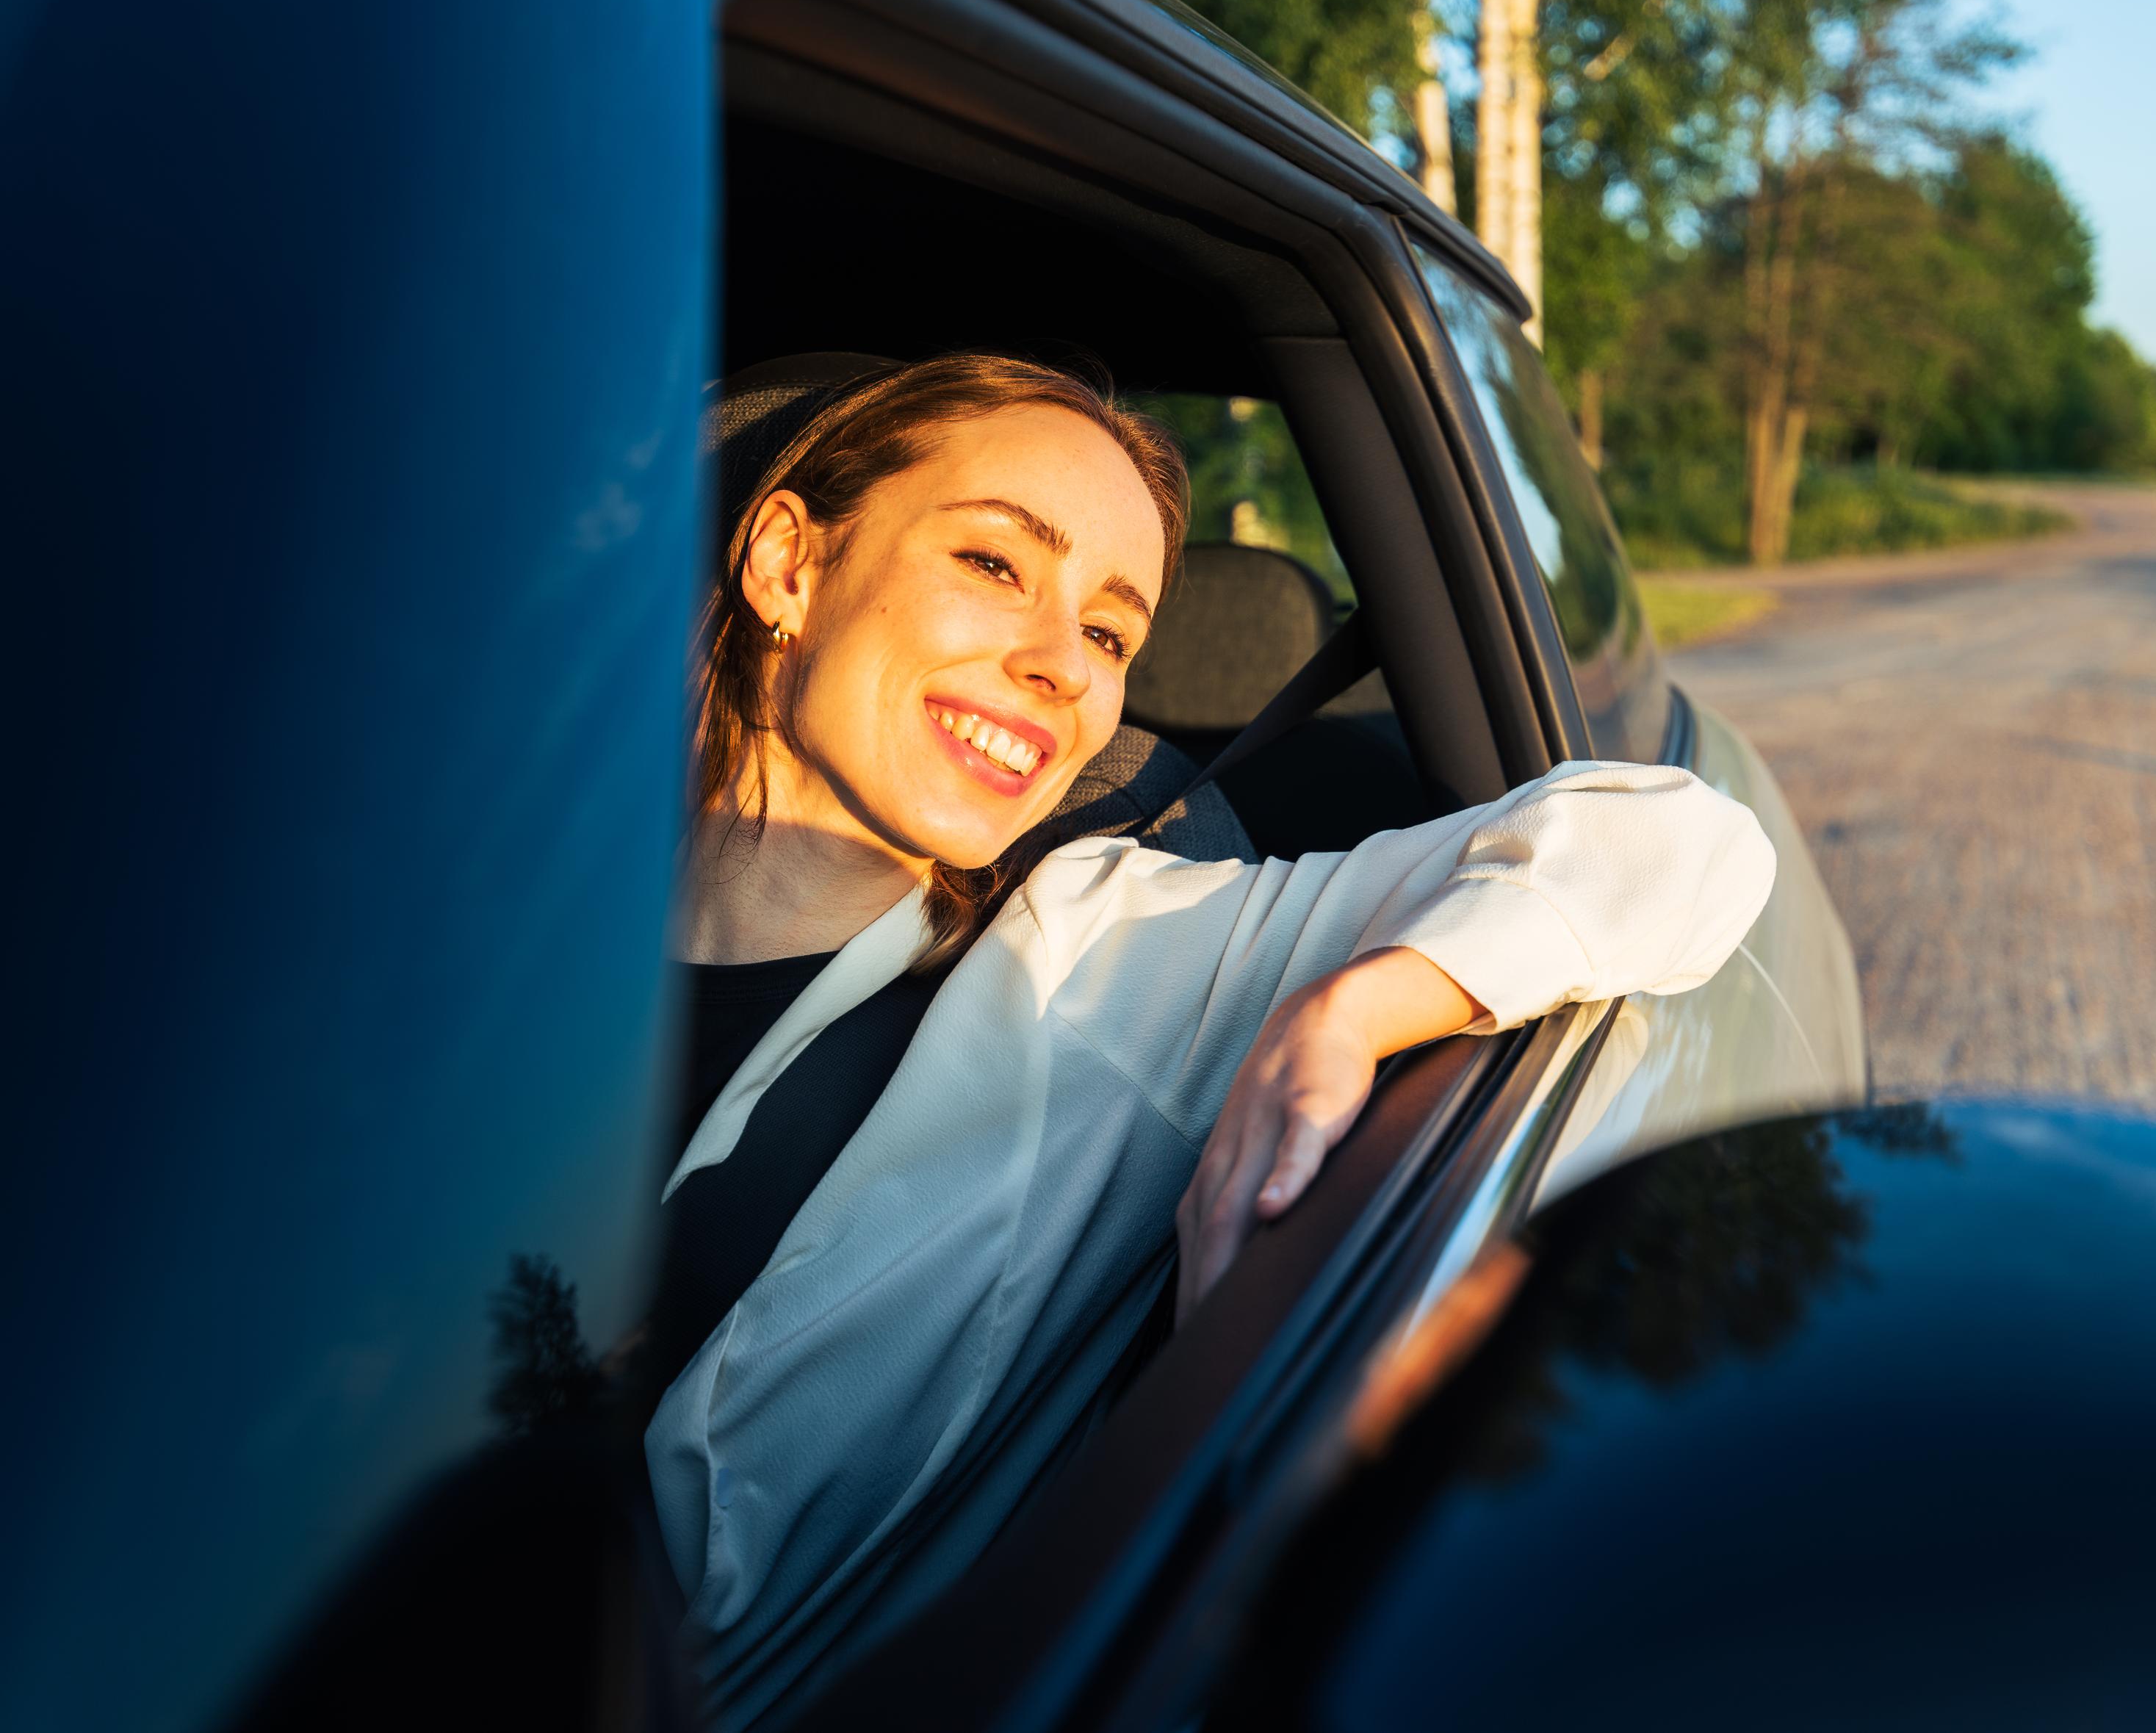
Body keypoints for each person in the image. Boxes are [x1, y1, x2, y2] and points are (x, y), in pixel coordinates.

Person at [647, 353, 1775, 1723]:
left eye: (1114, 635)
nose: (1063, 666)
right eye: (999, 565)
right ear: (786, 564)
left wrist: (1353, 1006)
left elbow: (1679, 844)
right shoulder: (462, 889)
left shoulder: (1109, 959)